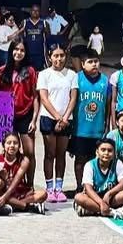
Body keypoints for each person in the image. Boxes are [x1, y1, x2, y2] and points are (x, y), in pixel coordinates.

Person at [38, 45, 78, 201]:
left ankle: (59, 188)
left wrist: (65, 118)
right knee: (50, 154)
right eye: (55, 55)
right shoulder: (44, 74)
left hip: (66, 119)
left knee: (61, 155)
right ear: (50, 56)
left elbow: (73, 97)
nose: (59, 59)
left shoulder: (72, 75)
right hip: (48, 118)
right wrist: (57, 117)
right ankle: (49, 189)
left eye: (61, 55)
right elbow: (44, 98)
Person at [0, 41, 39, 161]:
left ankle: (30, 181)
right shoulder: (2, 71)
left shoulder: (31, 71)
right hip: (8, 116)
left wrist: (34, 120)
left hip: (25, 115)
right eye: (16, 49)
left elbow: (36, 96)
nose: (19, 52)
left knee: (29, 152)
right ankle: (15, 179)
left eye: (22, 50)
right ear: (11, 50)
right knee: (11, 152)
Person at [75, 139, 123, 218]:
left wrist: (109, 193)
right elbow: (88, 188)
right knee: (79, 197)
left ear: (114, 153)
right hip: (94, 198)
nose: (106, 153)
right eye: (103, 150)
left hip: (110, 198)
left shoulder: (117, 163)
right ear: (97, 152)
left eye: (109, 150)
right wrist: (101, 202)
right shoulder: (90, 165)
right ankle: (111, 212)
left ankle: (93, 210)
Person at [0, 132, 47, 214]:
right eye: (9, 143)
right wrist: (4, 179)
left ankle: (14, 205)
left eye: (15, 143)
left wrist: (5, 198)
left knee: (43, 194)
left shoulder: (24, 160)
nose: (12, 146)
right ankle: (26, 206)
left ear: (19, 146)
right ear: (3, 145)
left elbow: (16, 181)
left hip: (19, 192)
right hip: (4, 192)